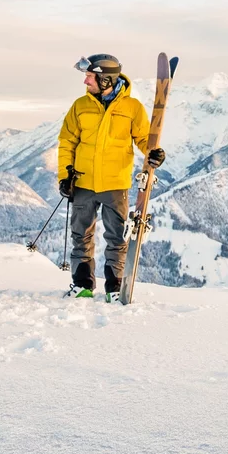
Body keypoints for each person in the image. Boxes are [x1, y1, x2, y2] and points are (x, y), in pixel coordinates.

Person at [58, 54, 166, 302]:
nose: (85, 81)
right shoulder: (80, 106)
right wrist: (65, 175)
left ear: (105, 80)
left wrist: (154, 153)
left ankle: (114, 287)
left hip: (115, 184)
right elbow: (67, 142)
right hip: (83, 182)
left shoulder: (132, 108)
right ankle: (82, 285)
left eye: (89, 77)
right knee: (80, 235)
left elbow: (144, 139)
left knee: (117, 237)